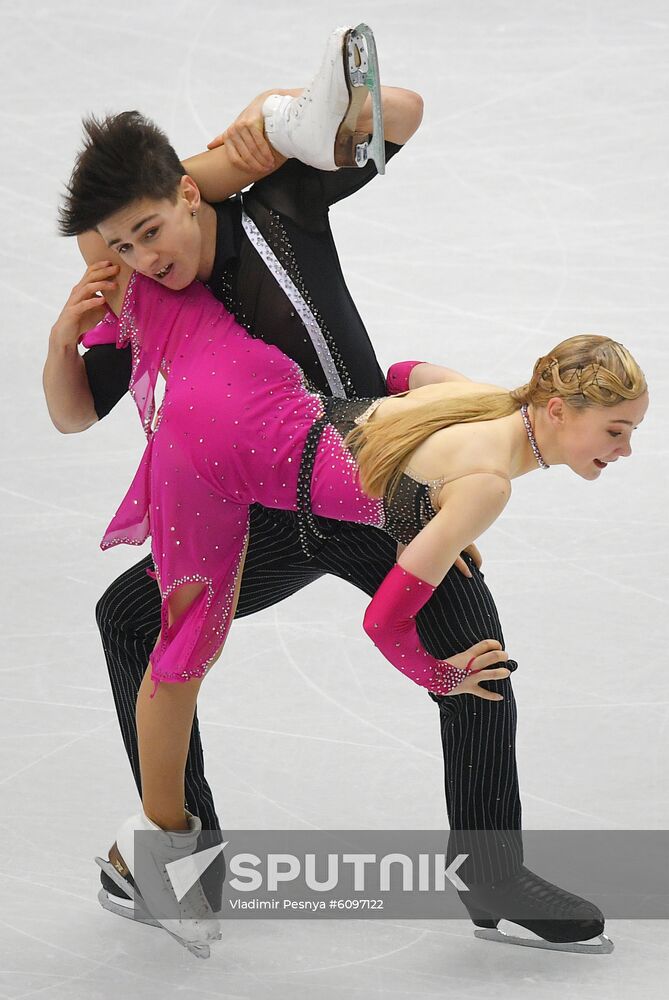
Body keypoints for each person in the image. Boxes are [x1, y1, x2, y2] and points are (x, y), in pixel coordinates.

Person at [43, 29, 621, 957]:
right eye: (127, 244)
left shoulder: (276, 200)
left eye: (155, 231)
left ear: (189, 195)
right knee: (129, 619)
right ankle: (192, 855)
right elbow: (77, 415)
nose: (147, 259)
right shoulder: (140, 287)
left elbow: (397, 114)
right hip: (253, 516)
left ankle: (491, 872)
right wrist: (65, 331)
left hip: (373, 489)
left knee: (475, 653)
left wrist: (247, 149)